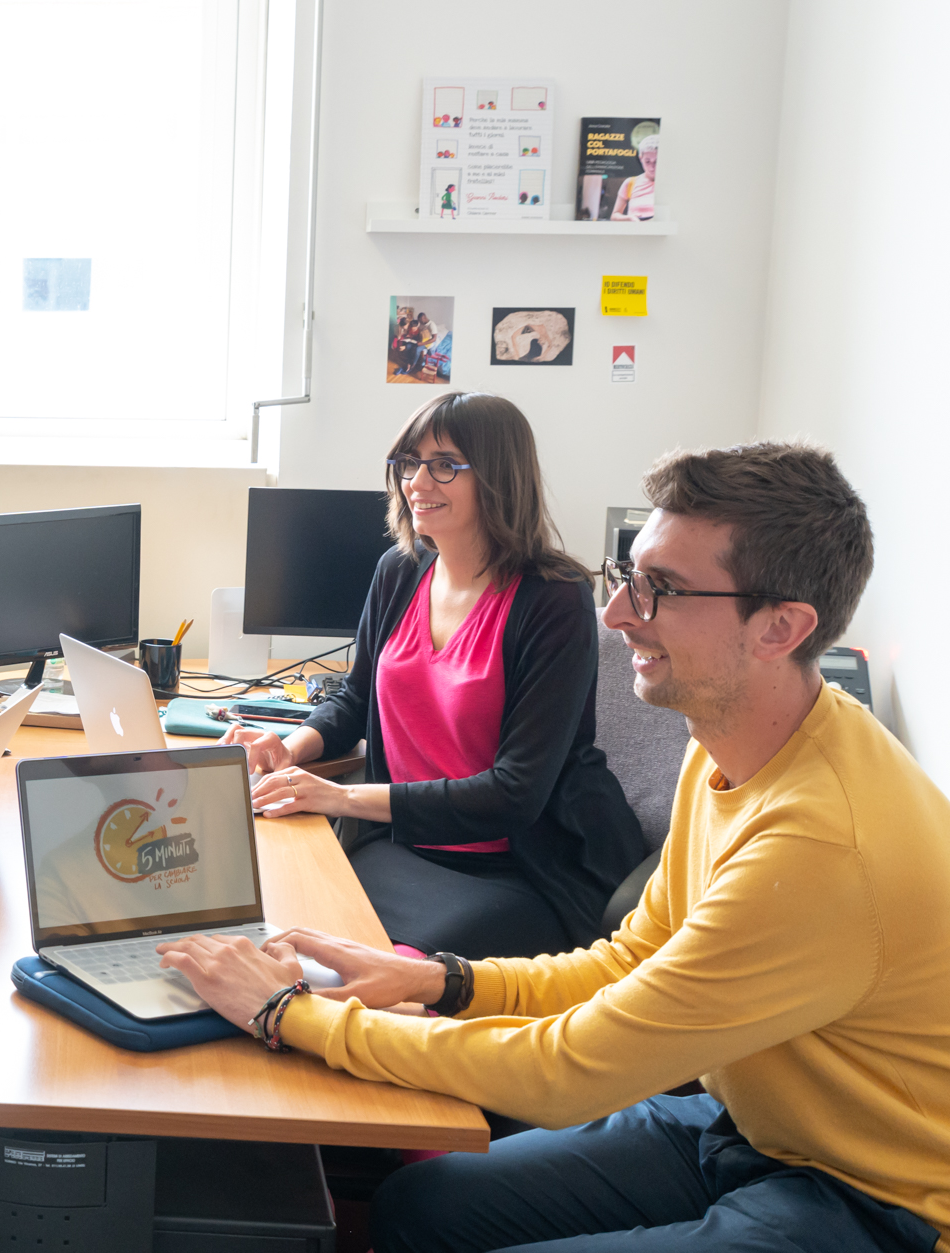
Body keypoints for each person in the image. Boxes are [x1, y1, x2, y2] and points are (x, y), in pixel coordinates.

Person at [165, 442, 950, 1252]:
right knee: (420, 1205)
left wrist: (287, 1013)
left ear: (781, 627)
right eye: (628, 576)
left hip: (872, 1199)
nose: (617, 615)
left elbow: (573, 1071)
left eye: (663, 590)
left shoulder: (819, 841)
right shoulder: (725, 743)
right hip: (744, 1121)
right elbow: (628, 958)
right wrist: (436, 978)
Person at [222, 392, 642, 958]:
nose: (417, 482)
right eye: (408, 463)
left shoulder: (553, 598)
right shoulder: (399, 569)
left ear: (498, 477)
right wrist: (287, 749)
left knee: (380, 987)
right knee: (283, 926)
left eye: (444, 465)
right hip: (399, 847)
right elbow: (354, 698)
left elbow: (515, 794)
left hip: (519, 868)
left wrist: (339, 799)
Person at [611, 132, 659, 221]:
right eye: (647, 161)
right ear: (641, 159)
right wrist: (630, 218)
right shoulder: (630, 183)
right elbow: (615, 215)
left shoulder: (669, 184)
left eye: (656, 162)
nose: (652, 167)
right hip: (635, 231)